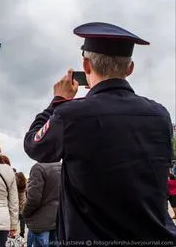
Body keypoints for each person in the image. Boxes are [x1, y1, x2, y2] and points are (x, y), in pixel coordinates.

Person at [23, 22, 176, 242]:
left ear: (86, 65)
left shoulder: (71, 115)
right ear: (130, 68)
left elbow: (34, 145)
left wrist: (57, 102)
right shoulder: (160, 115)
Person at [22, 163, 61, 247]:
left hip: (40, 222)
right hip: (58, 219)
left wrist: (25, 213)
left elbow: (34, 198)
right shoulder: (62, 167)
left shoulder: (38, 168)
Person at [15, 172, 27, 238]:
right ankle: (22, 233)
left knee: (16, 219)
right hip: (23, 204)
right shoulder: (24, 184)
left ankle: (13, 232)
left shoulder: (15, 185)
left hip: (17, 204)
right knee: (22, 220)